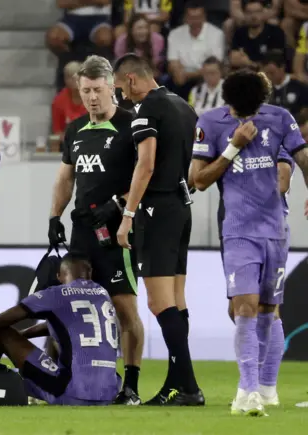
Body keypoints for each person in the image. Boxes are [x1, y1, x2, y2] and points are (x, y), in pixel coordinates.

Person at [189, 69, 308, 415]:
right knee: (243, 307)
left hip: (276, 231)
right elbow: (197, 180)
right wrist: (232, 147)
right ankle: (247, 390)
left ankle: (267, 388)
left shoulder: (279, 118)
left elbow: (298, 160)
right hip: (238, 231)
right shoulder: (211, 123)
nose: (249, 117)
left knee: (269, 310)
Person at [48, 55, 144, 405]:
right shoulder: (74, 130)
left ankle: (130, 386)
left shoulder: (132, 125)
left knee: (124, 310)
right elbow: (66, 177)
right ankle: (70, 380)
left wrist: (119, 205)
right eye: (85, 90)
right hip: (82, 234)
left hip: (120, 234)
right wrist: (54, 216)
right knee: (72, 309)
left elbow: (145, 175)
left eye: (97, 90)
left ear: (112, 87)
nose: (91, 97)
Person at [113, 53, 204, 406]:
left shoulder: (146, 110)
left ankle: (189, 388)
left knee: (158, 302)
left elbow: (145, 164)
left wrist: (128, 213)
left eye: (121, 89)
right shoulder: (183, 106)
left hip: (156, 208)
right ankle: (177, 384)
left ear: (132, 79)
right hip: (181, 207)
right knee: (177, 302)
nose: (123, 97)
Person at [0, 253, 119, 406]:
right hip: (108, 394)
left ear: (59, 276)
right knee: (58, 337)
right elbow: (63, 326)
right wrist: (21, 336)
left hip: (72, 393)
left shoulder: (56, 293)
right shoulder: (103, 294)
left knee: (0, 332)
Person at [221, 147, 293, 408]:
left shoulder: (277, 140)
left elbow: (282, 183)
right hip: (236, 228)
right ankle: (261, 388)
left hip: (267, 230)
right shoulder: (230, 138)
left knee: (263, 309)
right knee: (240, 308)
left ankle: (259, 388)